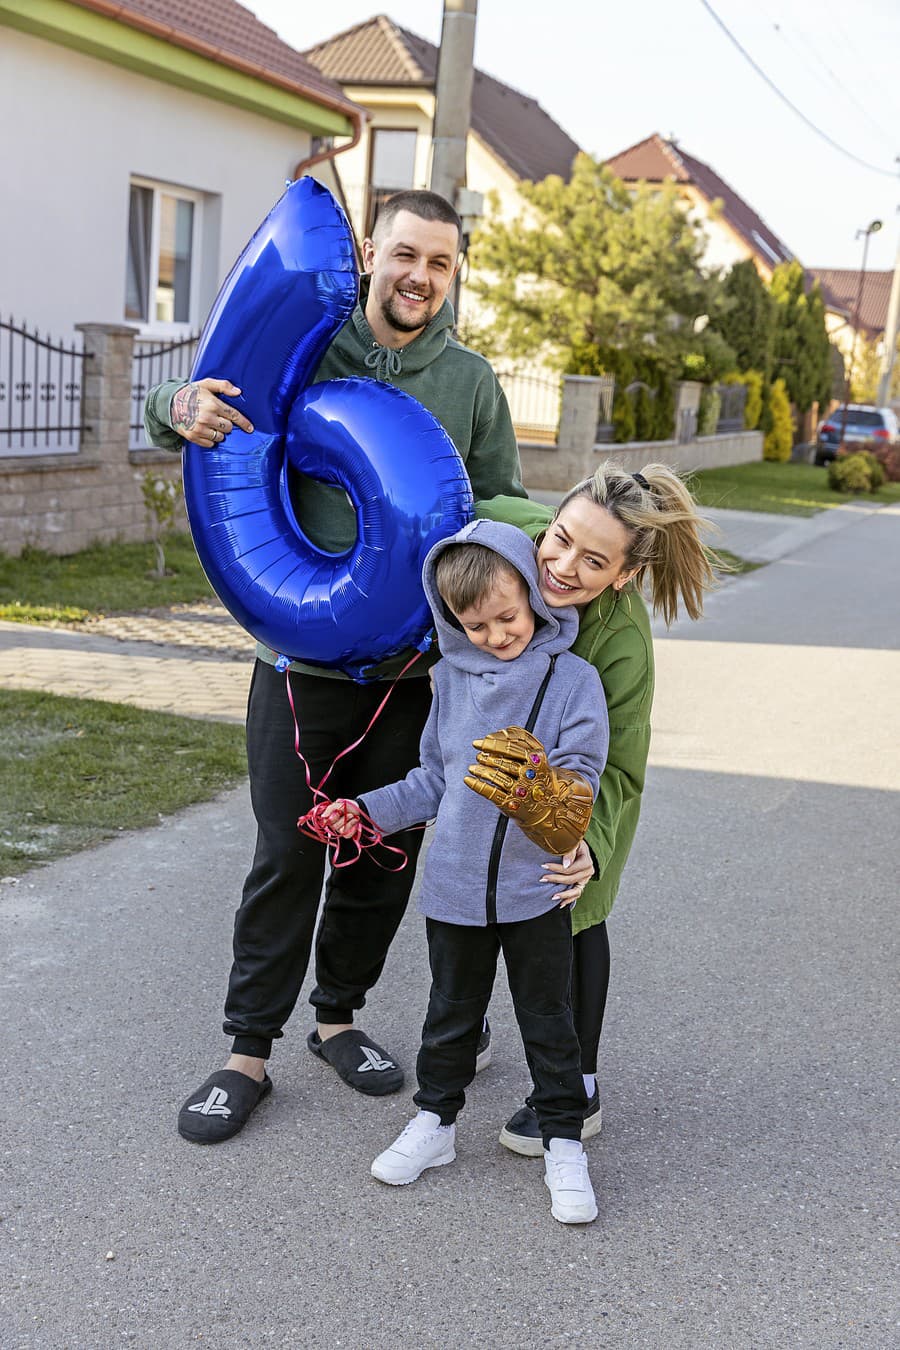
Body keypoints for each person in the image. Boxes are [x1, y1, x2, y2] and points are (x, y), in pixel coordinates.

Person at [143, 190, 532, 1144]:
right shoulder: (314, 345)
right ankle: (246, 1053)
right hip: (297, 660)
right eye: (405, 255)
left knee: (380, 853)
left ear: (453, 275)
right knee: (288, 852)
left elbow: (504, 506)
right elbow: (190, 401)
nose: (419, 279)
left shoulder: (471, 382)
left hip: (407, 675)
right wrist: (173, 405)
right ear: (370, 253)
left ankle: (338, 1019)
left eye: (440, 265)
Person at [323, 519, 608, 1224]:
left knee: (549, 1017)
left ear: (532, 598)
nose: (495, 635)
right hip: (450, 887)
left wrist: (548, 788)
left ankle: (563, 1139)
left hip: (534, 888)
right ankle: (436, 1124)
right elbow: (430, 780)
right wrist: (363, 811)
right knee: (449, 1014)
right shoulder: (447, 680)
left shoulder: (573, 680)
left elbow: (583, 775)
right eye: (474, 625)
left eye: (506, 617)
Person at [476, 462, 720, 1155]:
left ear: (623, 576)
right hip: (509, 758)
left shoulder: (619, 642)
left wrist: (592, 843)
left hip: (582, 775)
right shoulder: (514, 544)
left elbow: (619, 768)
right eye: (559, 539)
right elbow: (475, 497)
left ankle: (578, 1087)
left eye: (592, 561)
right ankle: (467, 1026)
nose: (561, 565)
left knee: (571, 904)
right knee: (478, 890)